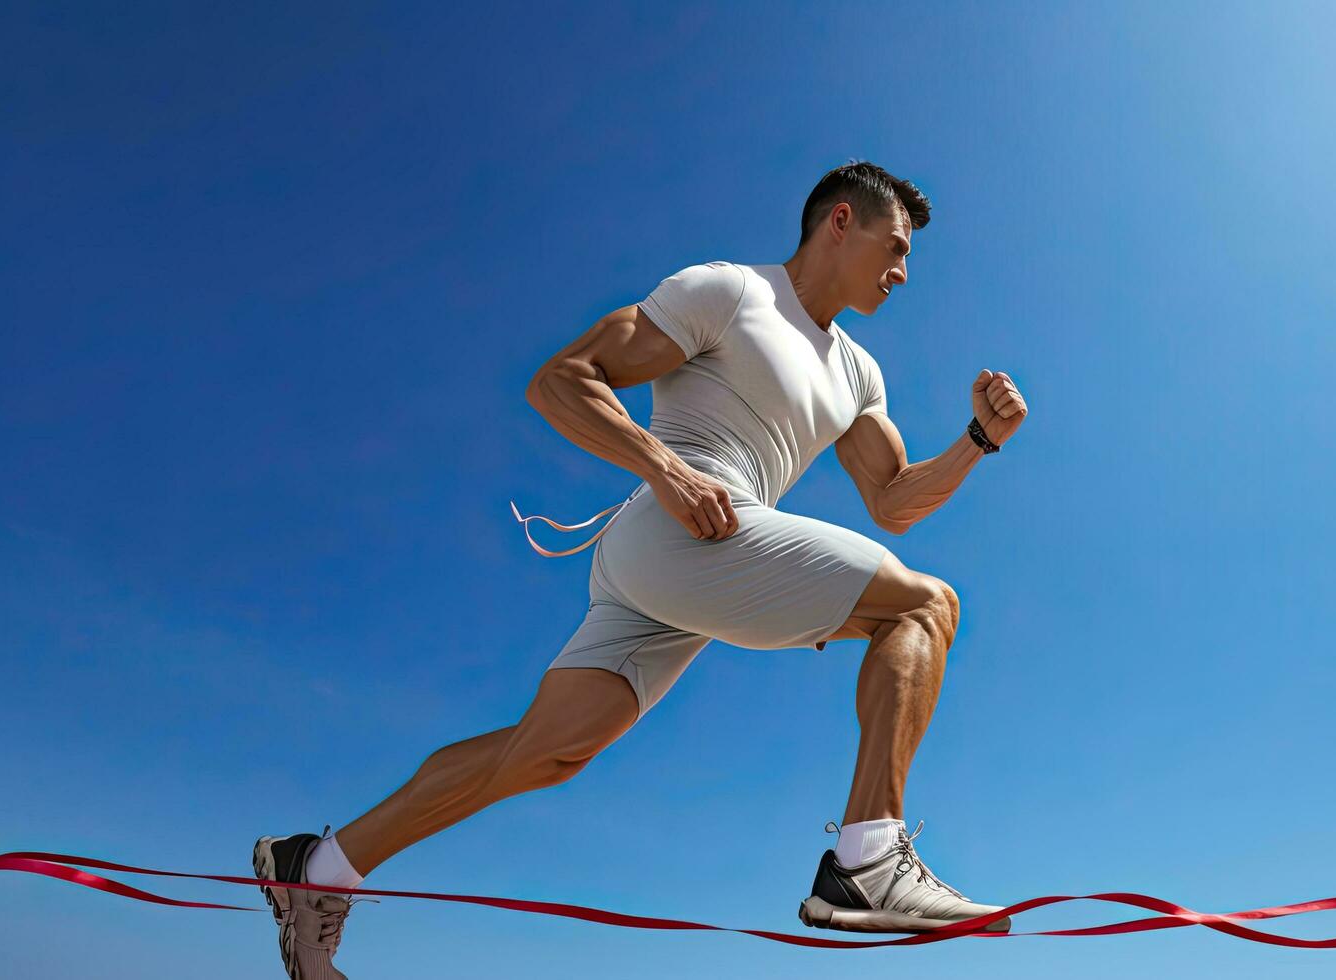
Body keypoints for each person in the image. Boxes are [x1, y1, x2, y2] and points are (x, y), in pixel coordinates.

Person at [252, 160, 1030, 977]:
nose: (903, 272)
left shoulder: (858, 373)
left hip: (691, 565)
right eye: (895, 246)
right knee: (922, 607)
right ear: (840, 221)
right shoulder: (730, 291)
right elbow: (562, 381)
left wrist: (975, 443)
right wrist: (665, 466)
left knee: (545, 752)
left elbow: (893, 500)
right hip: (676, 526)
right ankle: (868, 859)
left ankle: (320, 867)